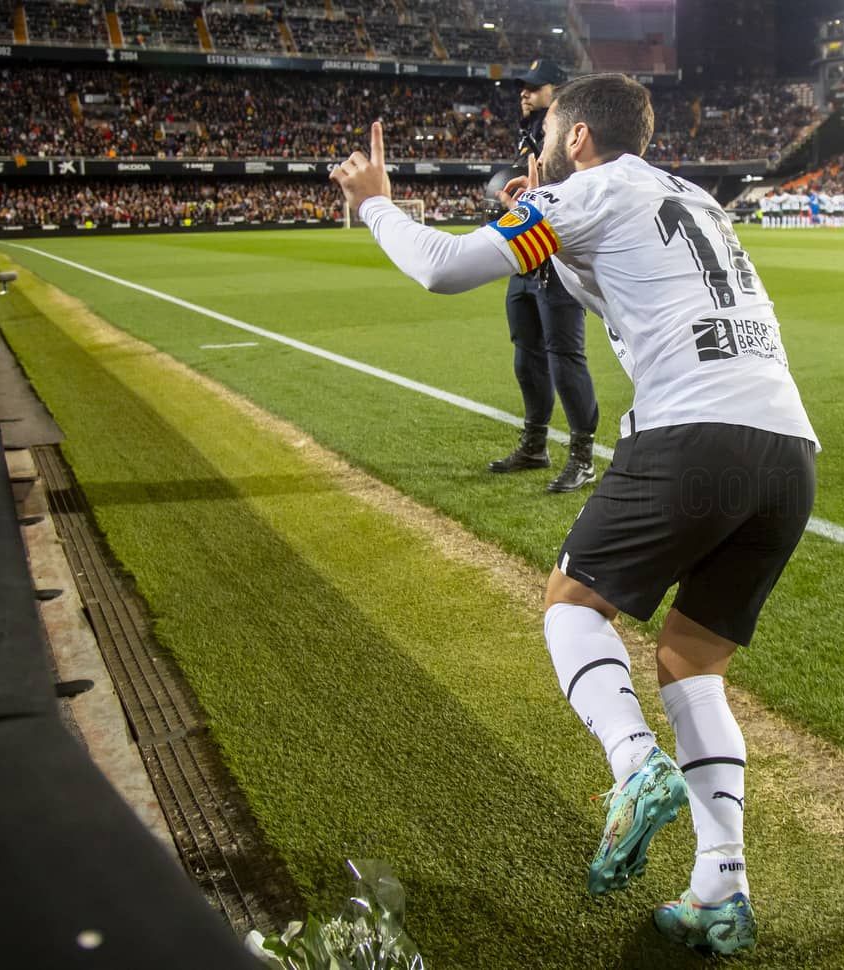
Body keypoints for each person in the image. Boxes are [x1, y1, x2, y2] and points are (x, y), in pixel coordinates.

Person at [331, 73, 817, 954]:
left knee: (571, 603)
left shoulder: (585, 186)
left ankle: (634, 767)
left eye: (551, 136)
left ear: (580, 136)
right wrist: (545, 230)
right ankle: (722, 887)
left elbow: (442, 270)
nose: (543, 149)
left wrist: (374, 205)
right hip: (787, 451)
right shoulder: (689, 195)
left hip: (693, 432)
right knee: (690, 661)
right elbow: (613, 292)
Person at [487, 59, 600, 493]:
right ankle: (535, 445)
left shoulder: (571, 136)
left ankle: (583, 457)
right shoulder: (531, 136)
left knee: (564, 355)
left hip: (556, 257)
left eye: (535, 86)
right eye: (522, 86)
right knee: (526, 351)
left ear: (559, 91)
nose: (524, 92)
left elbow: (581, 189)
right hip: (526, 256)